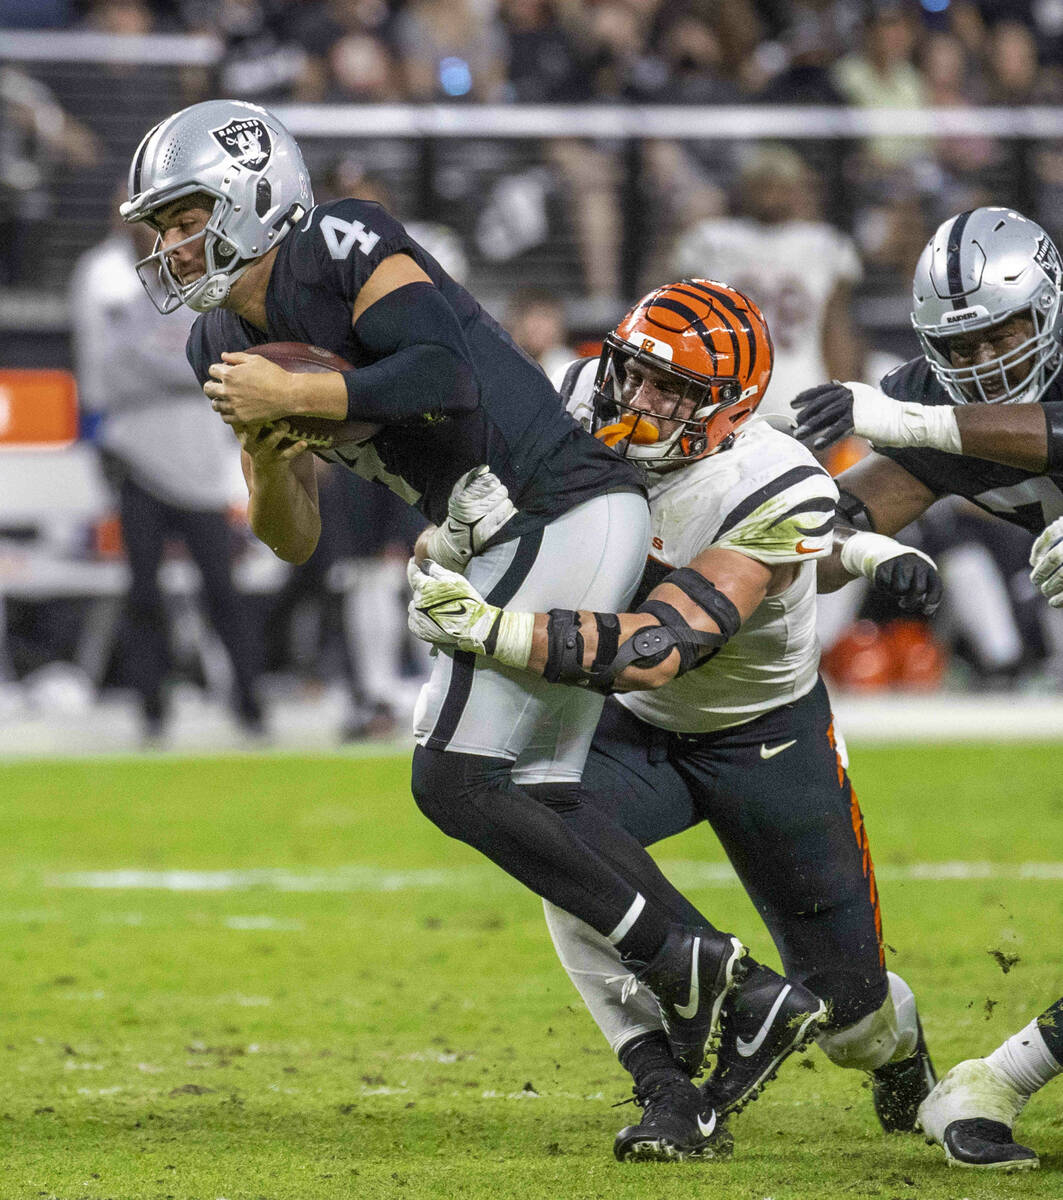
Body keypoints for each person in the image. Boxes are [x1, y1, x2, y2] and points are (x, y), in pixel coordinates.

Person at [119, 98, 760, 1096]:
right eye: (159, 227)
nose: (169, 246)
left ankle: (691, 963)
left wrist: (299, 396)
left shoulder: (341, 239)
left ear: (254, 196)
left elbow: (442, 374)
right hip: (511, 533)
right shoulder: (216, 344)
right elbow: (294, 539)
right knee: (543, 803)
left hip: (558, 506)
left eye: (185, 217)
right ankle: (703, 1044)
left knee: (451, 778)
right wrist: (267, 451)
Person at [407, 279, 939, 1161]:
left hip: (763, 737)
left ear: (729, 407)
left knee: (850, 1017)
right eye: (633, 373)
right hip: (634, 726)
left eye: (673, 389)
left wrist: (493, 629)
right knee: (558, 847)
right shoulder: (576, 396)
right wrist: (455, 540)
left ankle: (897, 1044)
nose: (638, 400)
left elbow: (660, 647)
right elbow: (465, 522)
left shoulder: (771, 481)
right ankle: (669, 1087)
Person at [792, 204, 1063, 1169]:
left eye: (1003, 333)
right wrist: (829, 537)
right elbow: (819, 538)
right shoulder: (927, 405)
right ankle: (995, 1081)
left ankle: (995, 1081)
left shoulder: (916, 408)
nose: (985, 359)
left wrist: (905, 418)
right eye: (961, 345)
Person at [70, 187, 263, 742]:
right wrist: (185, 366)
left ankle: (250, 705)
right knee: (143, 593)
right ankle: (152, 709)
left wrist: (159, 362)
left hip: (200, 466)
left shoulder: (206, 283)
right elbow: (109, 372)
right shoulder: (110, 280)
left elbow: (221, 361)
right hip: (140, 462)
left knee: (222, 590)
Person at [670, 145, 864, 424]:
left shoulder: (824, 245)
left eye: (777, 185)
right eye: (763, 184)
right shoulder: (710, 240)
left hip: (787, 392)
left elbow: (835, 331)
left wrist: (844, 395)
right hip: (731, 396)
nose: (770, 195)